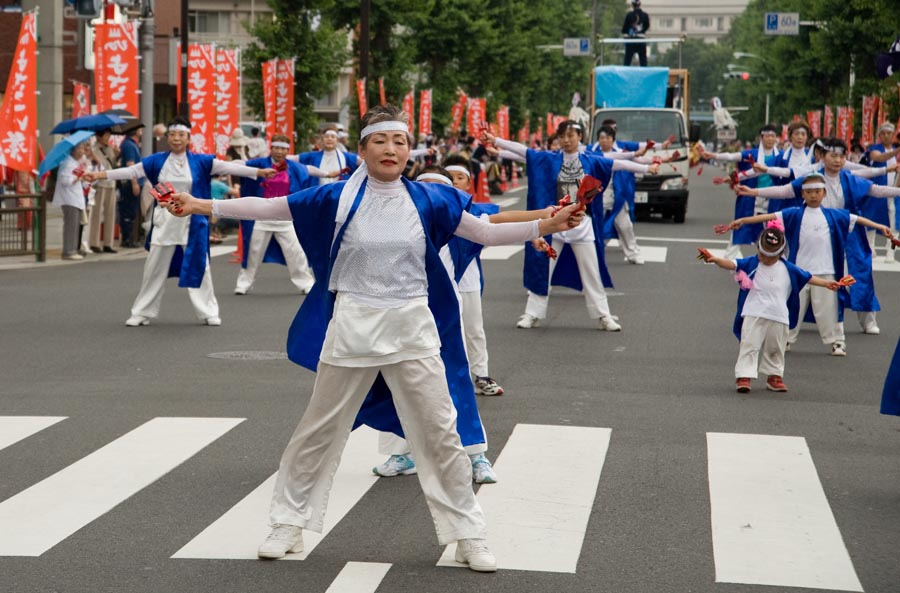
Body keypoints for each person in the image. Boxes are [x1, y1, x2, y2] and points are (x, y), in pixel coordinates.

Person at [162, 104, 584, 572]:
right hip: (353, 323)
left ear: (409, 151)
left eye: (399, 142)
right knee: (319, 430)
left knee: (440, 433)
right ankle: (288, 522)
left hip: (413, 326)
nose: (390, 149)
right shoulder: (335, 197)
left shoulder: (431, 198)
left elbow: (483, 232)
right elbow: (270, 206)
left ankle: (468, 531)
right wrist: (201, 205)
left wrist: (546, 225)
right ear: (362, 150)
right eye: (380, 141)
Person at [82, 116, 276, 327]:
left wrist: (258, 172)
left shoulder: (200, 161)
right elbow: (131, 171)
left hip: (192, 222)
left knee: (201, 267)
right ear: (167, 137)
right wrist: (99, 175)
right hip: (164, 221)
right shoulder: (157, 160)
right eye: (172, 135)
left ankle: (208, 311)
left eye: (181, 135)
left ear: (188, 138)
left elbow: (229, 168)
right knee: (153, 267)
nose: (176, 139)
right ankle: (142, 311)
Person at [485, 121, 658, 330]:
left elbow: (618, 164)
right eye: (562, 136)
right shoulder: (549, 159)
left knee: (591, 271)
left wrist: (648, 168)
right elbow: (524, 151)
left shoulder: (591, 161)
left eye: (571, 136)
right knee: (543, 267)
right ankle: (532, 313)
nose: (566, 140)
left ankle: (604, 315)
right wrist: (497, 141)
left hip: (581, 224)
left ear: (580, 137)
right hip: (555, 223)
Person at [731, 171, 895, 355]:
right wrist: (743, 220)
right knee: (792, 307)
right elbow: (769, 217)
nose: (814, 195)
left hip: (827, 270)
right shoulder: (794, 213)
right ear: (803, 194)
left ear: (824, 193)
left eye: (818, 191)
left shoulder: (834, 215)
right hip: (799, 272)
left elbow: (857, 219)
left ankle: (837, 341)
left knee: (831, 308)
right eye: (809, 192)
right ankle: (786, 339)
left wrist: (880, 226)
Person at [698, 222, 846, 392]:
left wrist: (828, 283)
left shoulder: (789, 268)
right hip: (754, 312)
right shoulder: (751, 263)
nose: (765, 258)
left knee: (776, 347)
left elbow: (809, 277)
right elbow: (732, 264)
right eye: (762, 253)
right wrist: (714, 259)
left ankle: (774, 376)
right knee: (749, 344)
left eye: (770, 255)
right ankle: (744, 376)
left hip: (779, 314)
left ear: (781, 253)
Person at [235, 133, 323, 295]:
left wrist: (330, 174)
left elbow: (310, 171)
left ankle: (305, 282)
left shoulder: (294, 167)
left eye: (283, 149)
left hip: (285, 216)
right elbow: (240, 166)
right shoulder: (260, 163)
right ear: (271, 148)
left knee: (296, 252)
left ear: (288, 150)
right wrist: (247, 162)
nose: (279, 152)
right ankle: (244, 283)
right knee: (253, 252)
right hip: (261, 215)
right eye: (276, 147)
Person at [701, 125, 782, 258]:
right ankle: (730, 263)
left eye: (773, 136)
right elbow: (732, 156)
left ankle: (768, 267)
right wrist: (713, 155)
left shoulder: (781, 157)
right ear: (761, 138)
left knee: (772, 238)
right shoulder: (752, 154)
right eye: (767, 136)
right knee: (739, 232)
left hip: (773, 202)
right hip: (750, 200)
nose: (770, 139)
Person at [54, 137, 91, 260]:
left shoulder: (75, 163)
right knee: (71, 225)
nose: (81, 151)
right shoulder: (68, 163)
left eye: (82, 149)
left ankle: (73, 249)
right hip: (69, 199)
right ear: (72, 151)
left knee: (75, 225)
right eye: (78, 149)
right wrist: (77, 178)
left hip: (75, 199)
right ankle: (68, 251)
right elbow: (65, 180)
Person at [88, 129, 119, 254]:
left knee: (110, 213)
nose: (108, 138)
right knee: (97, 213)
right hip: (100, 184)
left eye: (109, 135)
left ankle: (108, 243)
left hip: (111, 183)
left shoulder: (110, 148)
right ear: (99, 136)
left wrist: (115, 155)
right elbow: (98, 165)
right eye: (106, 135)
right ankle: (94, 242)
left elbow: (112, 165)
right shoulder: (94, 149)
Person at [292, 127, 358, 184]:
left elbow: (365, 161)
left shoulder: (346, 157)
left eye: (332, 137)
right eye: (326, 136)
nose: (329, 139)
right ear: (322, 139)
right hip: (318, 195)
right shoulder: (313, 156)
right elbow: (292, 159)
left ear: (337, 140)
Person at [117, 124, 144, 248]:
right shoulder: (129, 145)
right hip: (129, 183)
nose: (141, 131)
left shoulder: (131, 144)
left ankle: (130, 238)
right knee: (128, 210)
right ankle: (127, 239)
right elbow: (130, 165)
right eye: (139, 129)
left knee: (132, 211)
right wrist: (135, 183)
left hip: (132, 181)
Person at [622, 0, 650, 67]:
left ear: (632, 5)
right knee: (643, 62)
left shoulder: (629, 15)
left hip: (631, 40)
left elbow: (624, 29)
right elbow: (647, 26)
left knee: (627, 62)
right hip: (641, 40)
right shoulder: (645, 15)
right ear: (640, 4)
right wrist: (641, 31)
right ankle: (645, 74)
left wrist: (630, 32)